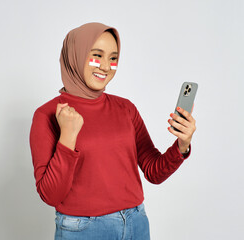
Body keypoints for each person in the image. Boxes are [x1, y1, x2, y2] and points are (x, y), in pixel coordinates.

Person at [29, 22, 196, 240]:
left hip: (136, 222)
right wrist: (68, 137)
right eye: (97, 55)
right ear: (75, 54)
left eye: (113, 58)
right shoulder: (48, 114)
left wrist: (182, 146)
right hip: (83, 230)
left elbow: (153, 172)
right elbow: (51, 195)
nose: (106, 67)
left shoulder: (125, 108)